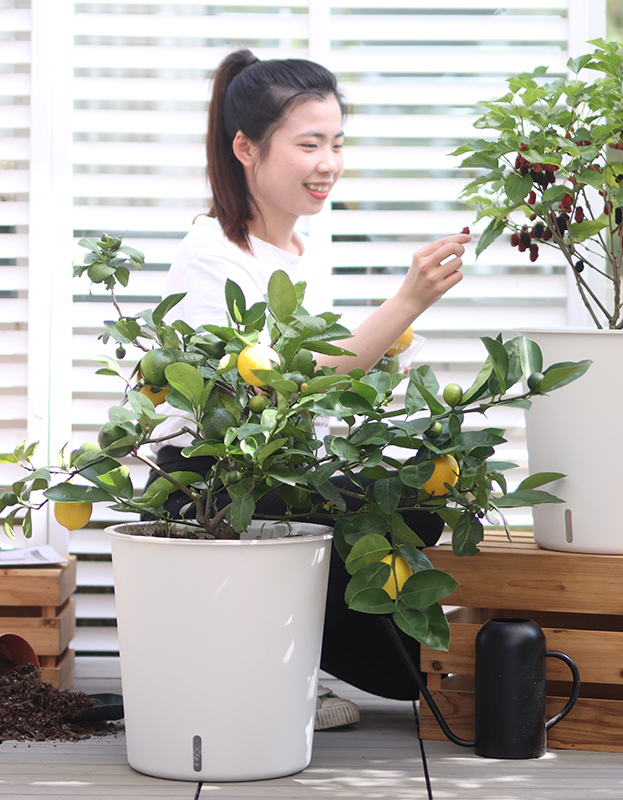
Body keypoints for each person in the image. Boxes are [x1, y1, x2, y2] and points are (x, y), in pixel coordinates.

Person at [149, 47, 471, 729]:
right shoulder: (211, 253)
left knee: (417, 501)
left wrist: (382, 370)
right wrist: (404, 305)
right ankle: (276, 676)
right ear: (247, 148)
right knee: (377, 562)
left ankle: (295, 667)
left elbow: (321, 383)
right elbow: (280, 390)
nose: (328, 163)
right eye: (309, 144)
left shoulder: (300, 249)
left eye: (337, 143)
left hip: (289, 470)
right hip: (216, 479)